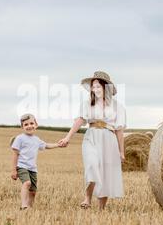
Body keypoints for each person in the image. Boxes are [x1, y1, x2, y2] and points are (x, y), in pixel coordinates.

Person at [58, 71, 126, 210]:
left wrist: (121, 151)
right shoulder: (87, 104)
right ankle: (87, 198)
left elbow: (119, 130)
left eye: (98, 86)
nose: (95, 89)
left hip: (109, 139)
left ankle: (101, 208)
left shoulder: (118, 107)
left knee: (106, 173)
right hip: (91, 137)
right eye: (93, 87)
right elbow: (80, 120)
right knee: (92, 166)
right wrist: (67, 137)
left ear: (106, 87)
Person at [11, 113, 62, 210]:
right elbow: (15, 154)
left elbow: (46, 145)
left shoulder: (36, 140)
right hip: (22, 166)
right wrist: (14, 170)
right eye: (26, 125)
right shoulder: (20, 138)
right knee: (27, 183)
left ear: (36, 125)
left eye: (31, 123)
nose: (29, 126)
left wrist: (58, 145)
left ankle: (29, 208)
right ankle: (24, 205)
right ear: (22, 127)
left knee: (33, 191)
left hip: (32, 168)